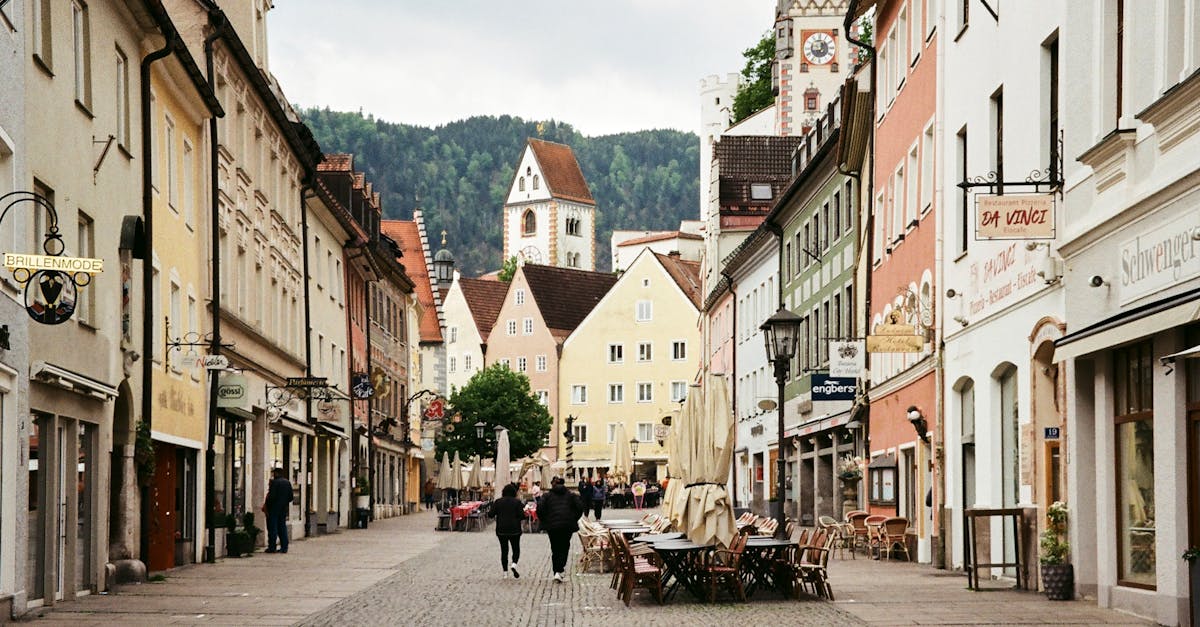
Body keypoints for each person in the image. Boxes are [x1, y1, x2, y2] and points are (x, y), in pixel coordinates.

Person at [536, 476, 585, 583]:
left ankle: (556, 571)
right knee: (564, 546)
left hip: (552, 526)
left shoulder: (547, 496)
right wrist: (573, 518)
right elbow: (580, 507)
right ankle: (560, 568)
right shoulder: (571, 495)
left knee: (555, 548)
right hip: (567, 525)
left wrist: (545, 520)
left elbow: (539, 508)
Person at [488, 483, 525, 578]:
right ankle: (514, 564)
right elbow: (522, 516)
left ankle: (505, 572)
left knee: (504, 550)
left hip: (501, 530)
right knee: (516, 548)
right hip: (515, 529)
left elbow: (490, 514)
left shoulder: (498, 502)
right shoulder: (517, 502)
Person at [264, 467, 293, 554]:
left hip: (273, 508)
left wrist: (268, 505)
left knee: (273, 528)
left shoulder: (275, 483)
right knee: (282, 527)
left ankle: (272, 547)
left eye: (274, 473)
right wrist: (284, 503)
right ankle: (284, 547)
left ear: (276, 473)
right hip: (283, 508)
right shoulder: (287, 482)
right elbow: (291, 497)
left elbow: (271, 497)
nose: (273, 475)